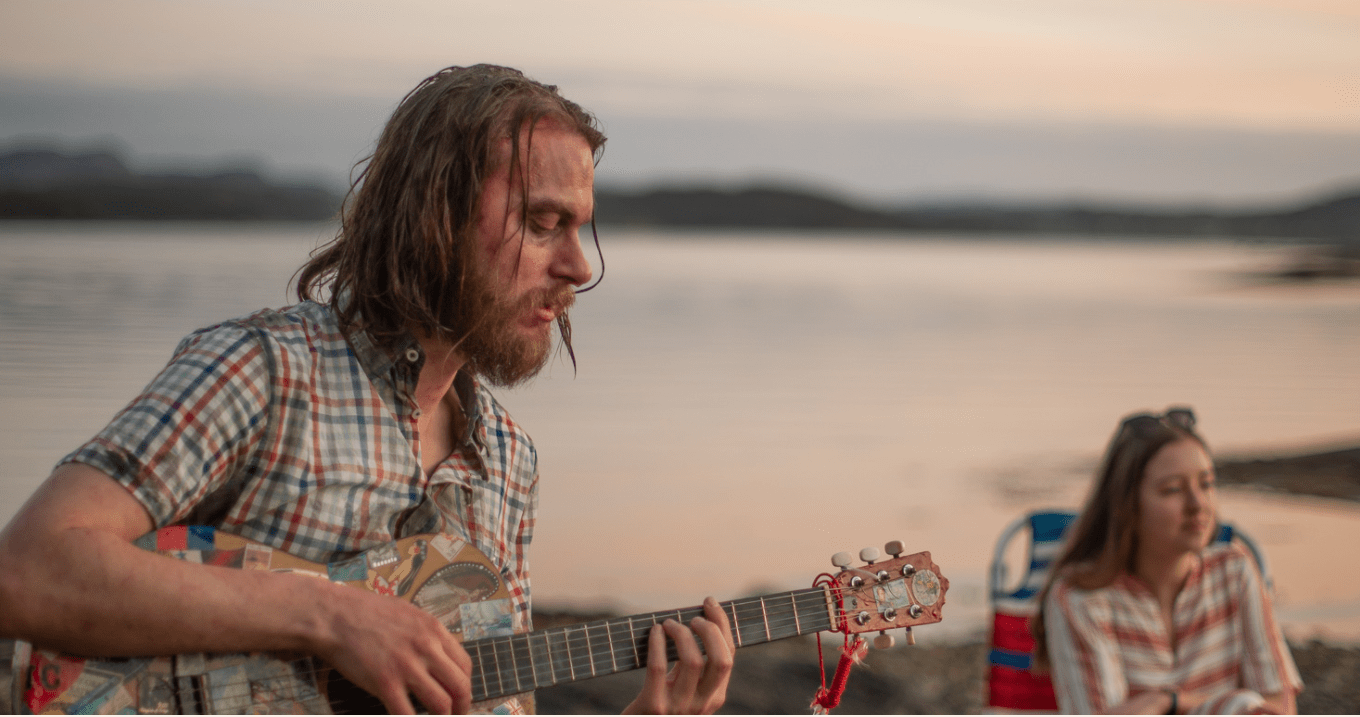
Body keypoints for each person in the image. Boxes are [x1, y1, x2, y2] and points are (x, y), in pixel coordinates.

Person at [0, 64, 734, 715]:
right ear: (436, 216)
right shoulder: (265, 372)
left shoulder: (509, 462)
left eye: (580, 229)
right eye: (543, 223)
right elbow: (27, 569)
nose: (579, 266)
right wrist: (328, 615)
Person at [1032, 407, 1302, 714]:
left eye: (1206, 484)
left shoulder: (1234, 571)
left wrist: (1167, 701)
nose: (1198, 504)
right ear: (1127, 504)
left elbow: (1281, 707)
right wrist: (1233, 704)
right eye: (1172, 489)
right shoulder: (1082, 599)